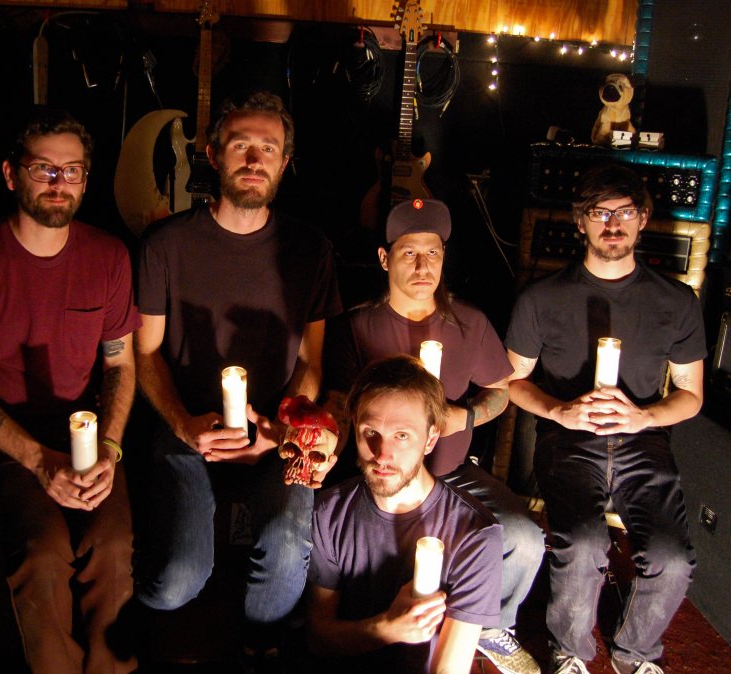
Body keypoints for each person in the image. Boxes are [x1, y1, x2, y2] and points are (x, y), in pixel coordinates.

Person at [134, 91, 342, 667]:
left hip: (273, 431)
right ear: (213, 154)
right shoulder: (166, 246)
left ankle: (259, 646)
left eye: (268, 149)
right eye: (241, 145)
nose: (254, 160)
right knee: (175, 583)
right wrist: (182, 423)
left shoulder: (311, 250)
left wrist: (283, 429)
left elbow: (311, 362)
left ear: (285, 162)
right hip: (186, 426)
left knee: (286, 549)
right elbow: (145, 353)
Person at [0, 108, 140, 674]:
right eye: (43, 168)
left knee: (112, 546)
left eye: (71, 171)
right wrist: (37, 460)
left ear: (86, 180)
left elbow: (120, 364)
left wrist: (110, 449)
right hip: (4, 444)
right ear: (10, 175)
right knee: (44, 553)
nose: (58, 182)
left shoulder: (108, 257)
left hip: (86, 437)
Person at [323, 198, 544, 674]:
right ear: (385, 258)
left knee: (525, 538)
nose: (423, 267)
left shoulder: (469, 323)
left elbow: (501, 390)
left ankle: (488, 625)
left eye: (433, 253)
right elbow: (340, 404)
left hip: (453, 475)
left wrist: (465, 417)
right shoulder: (356, 327)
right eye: (409, 253)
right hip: (381, 477)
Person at [505, 164, 704, 674]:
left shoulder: (676, 301)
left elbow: (691, 395)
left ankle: (635, 652)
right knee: (584, 542)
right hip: (568, 441)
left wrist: (643, 417)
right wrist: (558, 410)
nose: (613, 224)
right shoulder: (541, 298)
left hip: (643, 443)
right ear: (580, 222)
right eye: (599, 213)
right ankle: (570, 650)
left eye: (625, 212)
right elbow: (510, 381)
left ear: (643, 219)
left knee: (672, 558)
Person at [308, 354, 503, 673]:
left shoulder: (474, 533)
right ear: (354, 427)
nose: (382, 455)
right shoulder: (329, 512)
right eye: (371, 432)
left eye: (402, 435)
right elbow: (318, 637)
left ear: (430, 438)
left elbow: (448, 669)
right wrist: (387, 629)